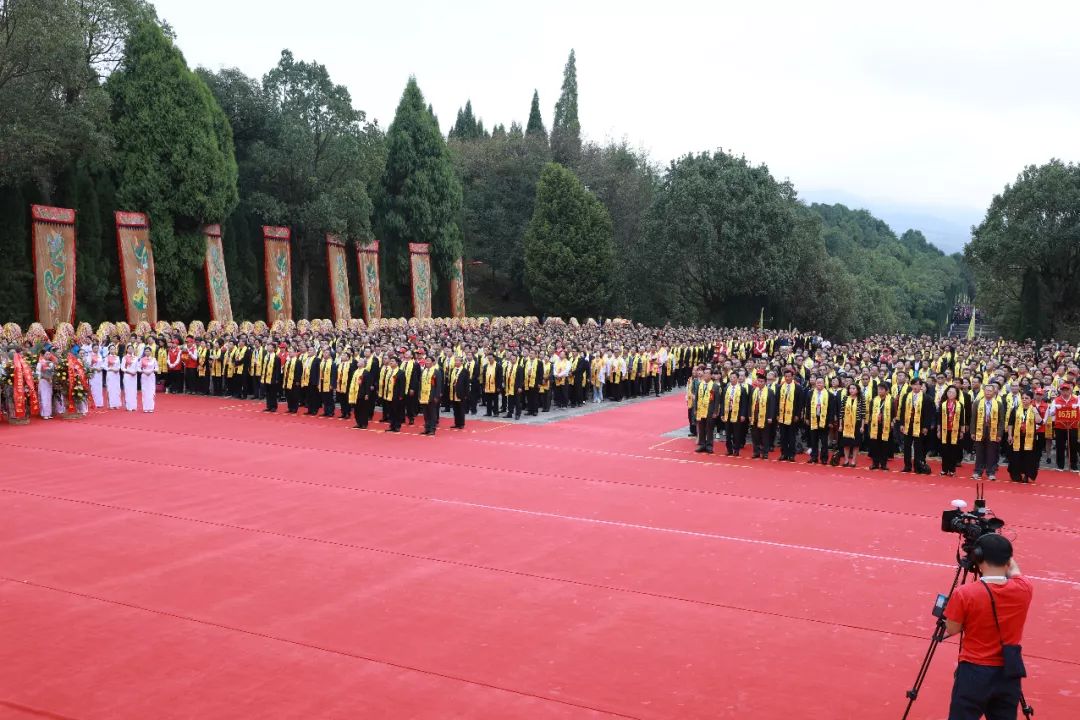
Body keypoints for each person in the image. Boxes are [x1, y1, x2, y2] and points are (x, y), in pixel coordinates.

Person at [944, 534, 1032, 720]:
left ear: (978, 557)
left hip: (974, 672)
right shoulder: (1024, 588)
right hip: (1009, 671)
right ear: (1008, 559)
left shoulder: (965, 594)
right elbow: (1014, 569)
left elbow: (952, 629)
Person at [1005, 392, 1043, 484]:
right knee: (1016, 457)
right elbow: (1010, 423)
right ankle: (1016, 475)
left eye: (1026, 398)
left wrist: (1035, 411)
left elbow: (1040, 422)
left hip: (1029, 438)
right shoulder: (1016, 409)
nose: (1024, 400)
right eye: (1023, 398)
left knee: (1028, 458)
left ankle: (1026, 475)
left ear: (1031, 399)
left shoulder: (1034, 409)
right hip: (1017, 437)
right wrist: (1010, 435)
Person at [900, 377, 935, 474]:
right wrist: (902, 423)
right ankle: (907, 466)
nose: (915, 386)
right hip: (908, 424)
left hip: (919, 425)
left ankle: (917, 466)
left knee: (918, 447)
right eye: (914, 384)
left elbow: (928, 415)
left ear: (921, 386)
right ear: (911, 385)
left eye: (918, 384)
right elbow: (902, 411)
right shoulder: (906, 396)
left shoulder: (926, 398)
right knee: (906, 446)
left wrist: (925, 427)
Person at [972, 384, 1006, 481]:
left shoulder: (998, 404)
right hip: (980, 430)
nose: (988, 392)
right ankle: (977, 471)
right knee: (979, 452)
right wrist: (972, 432)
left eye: (990, 391)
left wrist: (999, 434)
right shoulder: (977, 403)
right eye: (986, 390)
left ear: (994, 392)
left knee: (991, 453)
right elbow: (973, 419)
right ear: (983, 391)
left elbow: (1001, 420)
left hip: (993, 431)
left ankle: (991, 472)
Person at [1048, 381, 1079, 471]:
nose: (1065, 392)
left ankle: (1074, 465)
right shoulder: (1056, 400)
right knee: (1060, 446)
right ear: (1060, 391)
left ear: (1070, 391)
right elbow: (1051, 413)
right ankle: (1060, 465)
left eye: (1067, 390)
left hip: (1073, 426)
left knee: (1073, 445)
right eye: (1063, 390)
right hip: (1060, 426)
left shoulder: (1076, 400)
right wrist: (1056, 409)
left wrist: (1076, 407)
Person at [939, 385, 968, 477]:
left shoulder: (960, 405)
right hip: (944, 430)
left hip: (955, 430)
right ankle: (944, 469)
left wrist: (962, 431)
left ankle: (952, 470)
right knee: (944, 450)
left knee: (953, 450)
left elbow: (962, 420)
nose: (950, 394)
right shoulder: (943, 404)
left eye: (953, 392)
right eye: (949, 392)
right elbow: (939, 418)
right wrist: (938, 430)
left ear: (956, 394)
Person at [834, 382, 864, 467]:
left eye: (854, 388)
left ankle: (854, 460)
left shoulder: (861, 399)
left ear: (857, 390)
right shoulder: (845, 398)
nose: (852, 390)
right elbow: (841, 413)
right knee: (846, 443)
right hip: (846, 423)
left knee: (856, 444)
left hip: (857, 423)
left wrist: (862, 426)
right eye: (850, 388)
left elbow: (863, 414)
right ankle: (846, 460)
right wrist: (840, 425)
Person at [867, 382, 894, 470]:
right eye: (879, 389)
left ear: (887, 391)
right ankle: (875, 463)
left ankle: (884, 464)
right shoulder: (874, 400)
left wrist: (892, 422)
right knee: (875, 444)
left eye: (882, 389)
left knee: (885, 445)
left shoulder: (891, 400)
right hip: (875, 425)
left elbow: (894, 412)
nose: (880, 391)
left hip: (886, 425)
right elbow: (871, 412)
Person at [694, 366, 719, 454]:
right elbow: (696, 398)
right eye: (705, 373)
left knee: (709, 429)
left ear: (711, 375)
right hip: (700, 410)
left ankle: (709, 446)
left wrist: (715, 412)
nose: (705, 375)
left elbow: (717, 401)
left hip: (710, 410)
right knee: (701, 428)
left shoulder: (715, 386)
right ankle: (702, 444)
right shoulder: (700, 384)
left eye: (707, 373)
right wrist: (695, 409)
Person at [419, 356, 442, 435]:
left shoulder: (436, 372)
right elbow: (420, 384)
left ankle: (432, 429)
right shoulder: (423, 371)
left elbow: (438, 385)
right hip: (423, 395)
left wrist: (436, 396)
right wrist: (419, 394)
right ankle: (427, 428)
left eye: (429, 361)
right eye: (426, 361)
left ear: (432, 362)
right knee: (426, 413)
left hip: (432, 395)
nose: (427, 362)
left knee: (432, 413)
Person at [448, 355, 469, 429]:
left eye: (458, 360)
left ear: (461, 362)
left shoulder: (465, 371)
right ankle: (456, 423)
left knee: (461, 409)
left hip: (461, 392)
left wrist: (466, 394)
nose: (456, 362)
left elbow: (466, 383)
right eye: (455, 360)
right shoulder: (453, 370)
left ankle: (461, 423)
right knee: (455, 409)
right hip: (453, 391)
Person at [139, 346, 157, 412]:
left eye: (148, 351)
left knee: (151, 391)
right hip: (144, 376)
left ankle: (151, 407)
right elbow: (138, 368)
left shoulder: (154, 359)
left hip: (151, 376)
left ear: (151, 352)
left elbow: (157, 368)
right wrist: (144, 371)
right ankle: (145, 408)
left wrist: (151, 371)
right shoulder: (142, 359)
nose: (147, 352)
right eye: (146, 351)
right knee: (145, 391)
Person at [121, 347, 139, 412]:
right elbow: (122, 368)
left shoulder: (136, 358)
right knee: (128, 391)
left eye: (132, 349)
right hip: (127, 375)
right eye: (129, 349)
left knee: (133, 391)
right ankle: (128, 406)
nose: (130, 350)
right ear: (127, 350)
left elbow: (138, 366)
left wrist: (135, 371)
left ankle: (134, 406)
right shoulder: (124, 358)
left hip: (134, 376)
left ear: (133, 350)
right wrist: (129, 372)